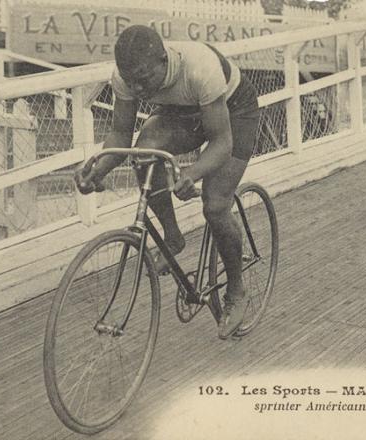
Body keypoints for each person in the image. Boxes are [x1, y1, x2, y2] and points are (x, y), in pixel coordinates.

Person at [74, 25, 259, 339]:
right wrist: (98, 169)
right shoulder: (129, 78)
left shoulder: (198, 67)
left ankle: (237, 292)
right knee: (145, 152)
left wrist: (191, 174)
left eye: (144, 79)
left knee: (215, 206)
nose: (138, 89)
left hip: (234, 112)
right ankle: (172, 237)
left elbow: (221, 143)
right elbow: (121, 135)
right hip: (184, 111)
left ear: (164, 60)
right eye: (131, 81)